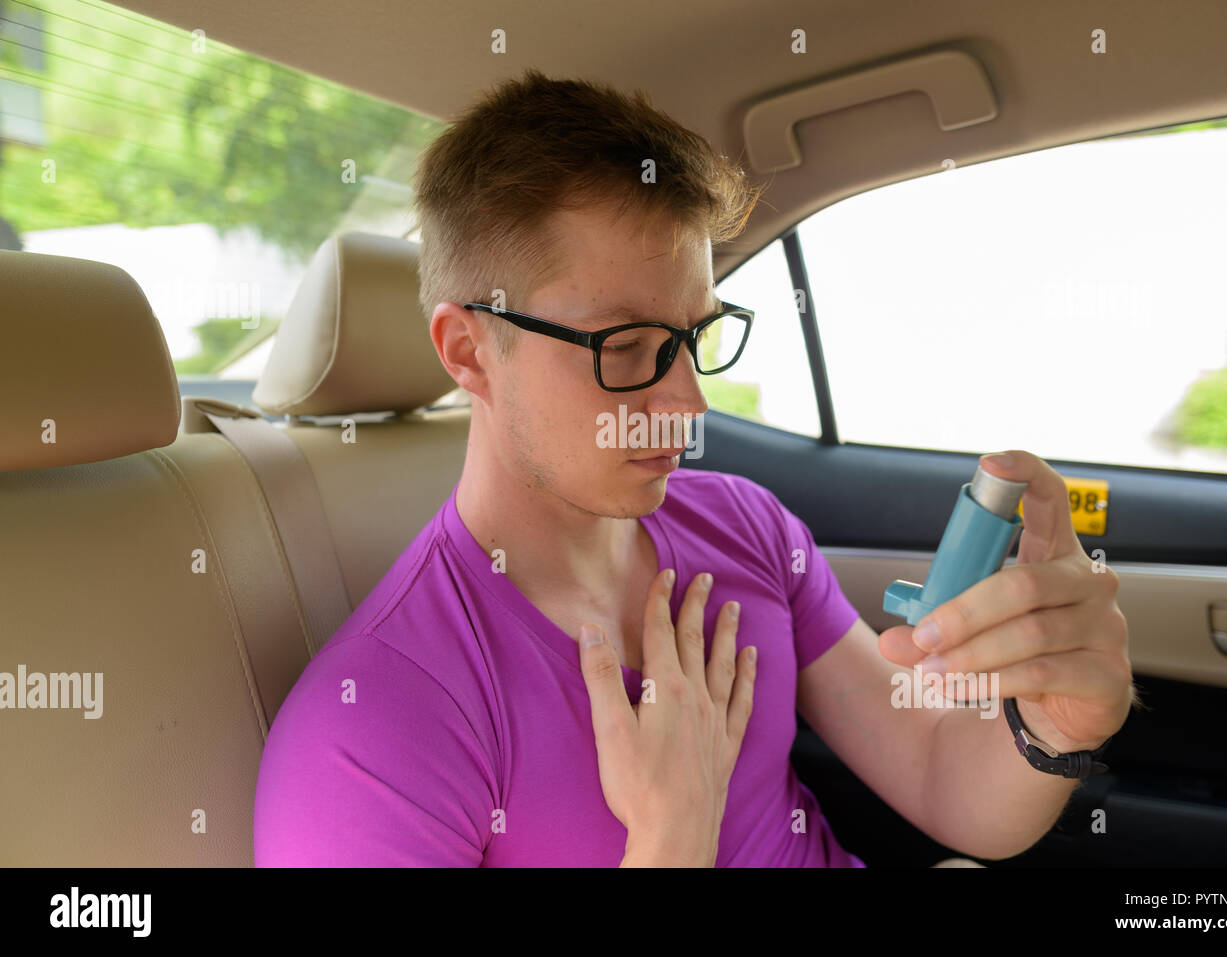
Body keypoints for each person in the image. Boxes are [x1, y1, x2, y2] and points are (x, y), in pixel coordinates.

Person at [253, 69, 1132, 867]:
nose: (689, 405)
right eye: (625, 345)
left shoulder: (745, 527)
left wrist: (1052, 725)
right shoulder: (373, 727)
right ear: (469, 350)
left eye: (691, 338)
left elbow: (944, 775)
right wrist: (674, 834)